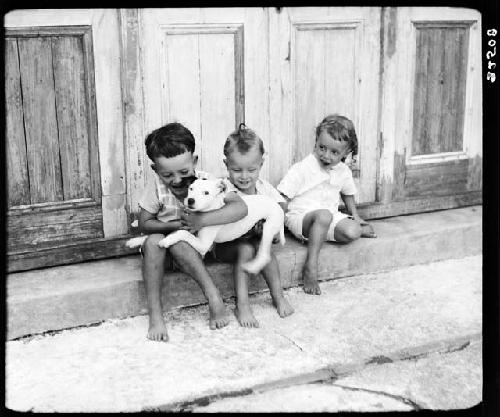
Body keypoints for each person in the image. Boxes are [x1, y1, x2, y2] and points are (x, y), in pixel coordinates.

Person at [138, 122, 248, 341]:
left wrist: (202, 220)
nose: (177, 180)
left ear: (194, 162)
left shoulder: (208, 182)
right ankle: (156, 315)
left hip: (195, 252)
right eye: (167, 174)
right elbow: (145, 223)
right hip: (162, 252)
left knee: (180, 242)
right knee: (153, 241)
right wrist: (174, 226)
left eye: (184, 171)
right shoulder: (156, 188)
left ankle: (213, 296)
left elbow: (240, 208)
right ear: (155, 170)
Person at [277, 114, 376, 296]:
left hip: (329, 216)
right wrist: (276, 226)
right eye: (321, 148)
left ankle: (347, 230)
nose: (326, 155)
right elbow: (283, 197)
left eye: (334, 152)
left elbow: (348, 193)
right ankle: (311, 266)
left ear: (346, 153)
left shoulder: (343, 171)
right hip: (302, 217)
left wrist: (355, 215)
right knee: (323, 216)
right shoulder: (303, 168)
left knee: (352, 231)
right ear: (316, 142)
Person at [213, 124, 294, 328]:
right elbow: (216, 219)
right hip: (226, 246)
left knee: (264, 250)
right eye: (236, 169)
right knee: (247, 249)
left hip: (255, 240)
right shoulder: (223, 189)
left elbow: (281, 206)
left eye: (252, 169)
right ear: (226, 164)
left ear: (261, 164)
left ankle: (278, 296)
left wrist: (273, 227)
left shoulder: (263, 188)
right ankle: (242, 305)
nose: (244, 176)